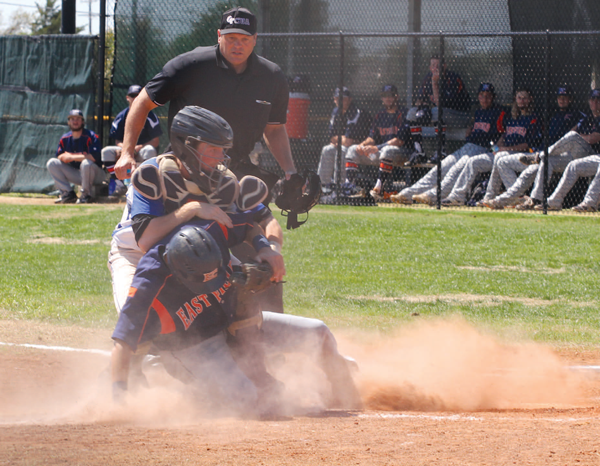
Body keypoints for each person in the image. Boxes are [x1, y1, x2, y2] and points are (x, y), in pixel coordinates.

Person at [111, 221, 362, 416]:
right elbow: (122, 342)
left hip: (232, 324)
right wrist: (118, 396)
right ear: (179, 272)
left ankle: (347, 394)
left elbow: (249, 225)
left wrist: (265, 248)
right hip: (192, 349)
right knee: (249, 399)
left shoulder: (211, 232)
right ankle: (176, 385)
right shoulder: (147, 287)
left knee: (319, 332)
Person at [113, 7, 298, 198]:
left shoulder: (271, 77)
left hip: (234, 168)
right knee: (170, 222)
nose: (238, 45)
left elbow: (274, 128)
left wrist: (290, 171)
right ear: (219, 36)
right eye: (231, 38)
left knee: (259, 219)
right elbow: (142, 102)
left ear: (255, 39)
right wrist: (126, 153)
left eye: (244, 39)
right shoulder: (191, 65)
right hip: (182, 168)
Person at [393, 82, 506, 205]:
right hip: (468, 147)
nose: (484, 99)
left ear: (493, 97)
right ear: (478, 96)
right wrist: (471, 128)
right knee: (440, 167)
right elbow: (475, 130)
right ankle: (408, 193)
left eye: (488, 96)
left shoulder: (499, 112)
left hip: (482, 149)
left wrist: (492, 147)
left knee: (455, 170)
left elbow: (500, 136)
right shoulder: (478, 112)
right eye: (482, 95)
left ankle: (433, 195)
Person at [441, 87, 540, 206]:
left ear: (530, 100)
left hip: (523, 155)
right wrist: (495, 149)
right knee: (473, 161)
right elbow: (503, 137)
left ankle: (502, 196)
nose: (522, 100)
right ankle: (457, 196)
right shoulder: (513, 118)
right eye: (519, 97)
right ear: (515, 99)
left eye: (525, 98)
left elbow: (528, 145)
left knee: (501, 158)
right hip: (502, 153)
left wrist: (504, 150)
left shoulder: (534, 118)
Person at [514, 89, 600, 211]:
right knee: (568, 164)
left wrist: (579, 137)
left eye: (598, 99)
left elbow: (593, 138)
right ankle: (548, 201)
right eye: (593, 99)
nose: (595, 102)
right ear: (589, 101)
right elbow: (572, 132)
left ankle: (589, 204)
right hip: (585, 155)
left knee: (573, 137)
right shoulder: (587, 118)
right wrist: (578, 137)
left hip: (593, 153)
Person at [341, 84, 421, 201]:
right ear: (382, 98)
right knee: (352, 149)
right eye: (385, 96)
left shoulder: (404, 113)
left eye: (391, 96)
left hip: (404, 153)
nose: (388, 99)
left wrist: (376, 148)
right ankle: (349, 186)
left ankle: (378, 189)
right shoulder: (380, 115)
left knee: (387, 150)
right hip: (383, 152)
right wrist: (362, 145)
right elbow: (372, 137)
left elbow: (399, 141)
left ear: (396, 97)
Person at [102, 84, 163, 196]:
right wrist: (124, 150)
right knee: (106, 151)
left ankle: (146, 183)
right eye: (132, 95)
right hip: (126, 150)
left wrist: (138, 147)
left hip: (142, 151)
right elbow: (117, 141)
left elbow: (155, 141)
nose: (135, 98)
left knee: (149, 150)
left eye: (137, 95)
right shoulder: (121, 116)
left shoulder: (150, 116)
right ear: (127, 98)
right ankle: (118, 181)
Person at [317, 87, 371, 191]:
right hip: (344, 145)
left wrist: (339, 140)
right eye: (337, 98)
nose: (340, 101)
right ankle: (324, 186)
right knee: (327, 150)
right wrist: (341, 140)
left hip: (359, 147)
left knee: (341, 151)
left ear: (349, 99)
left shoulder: (355, 112)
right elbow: (332, 137)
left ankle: (341, 186)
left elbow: (349, 141)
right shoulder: (335, 112)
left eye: (343, 99)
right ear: (334, 99)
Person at [46, 109, 104, 204]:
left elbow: (93, 157)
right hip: (78, 175)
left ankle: (86, 195)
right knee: (52, 163)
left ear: (83, 122)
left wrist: (71, 157)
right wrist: (64, 157)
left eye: (78, 119)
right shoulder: (65, 138)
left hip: (96, 174)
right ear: (69, 122)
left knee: (86, 163)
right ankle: (68, 194)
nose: (75, 121)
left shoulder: (91, 136)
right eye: (72, 119)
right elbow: (60, 155)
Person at [406, 55, 471, 128]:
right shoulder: (427, 78)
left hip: (460, 115)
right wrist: (423, 106)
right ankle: (416, 139)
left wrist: (434, 83)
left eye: (438, 65)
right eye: (433, 65)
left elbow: (439, 105)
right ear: (430, 68)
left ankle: (440, 139)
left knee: (437, 112)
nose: (436, 68)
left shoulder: (453, 79)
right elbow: (418, 101)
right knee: (412, 112)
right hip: (437, 113)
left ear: (444, 66)